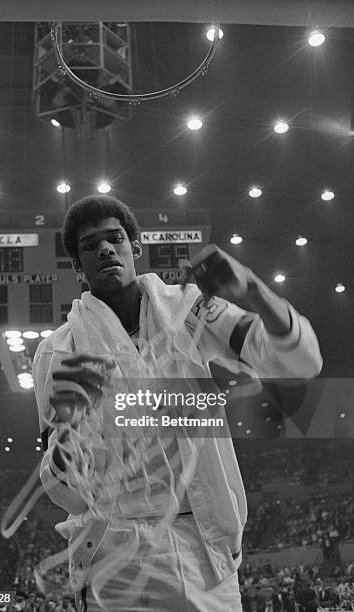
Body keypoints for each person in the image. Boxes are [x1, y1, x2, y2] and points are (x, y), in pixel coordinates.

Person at [33, 194, 322, 612]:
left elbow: (301, 361)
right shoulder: (57, 353)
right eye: (89, 245)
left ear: (135, 248)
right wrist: (70, 428)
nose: (105, 249)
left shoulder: (192, 310)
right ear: (78, 266)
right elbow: (66, 495)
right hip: (115, 561)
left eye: (114, 238)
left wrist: (252, 288)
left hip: (206, 552)